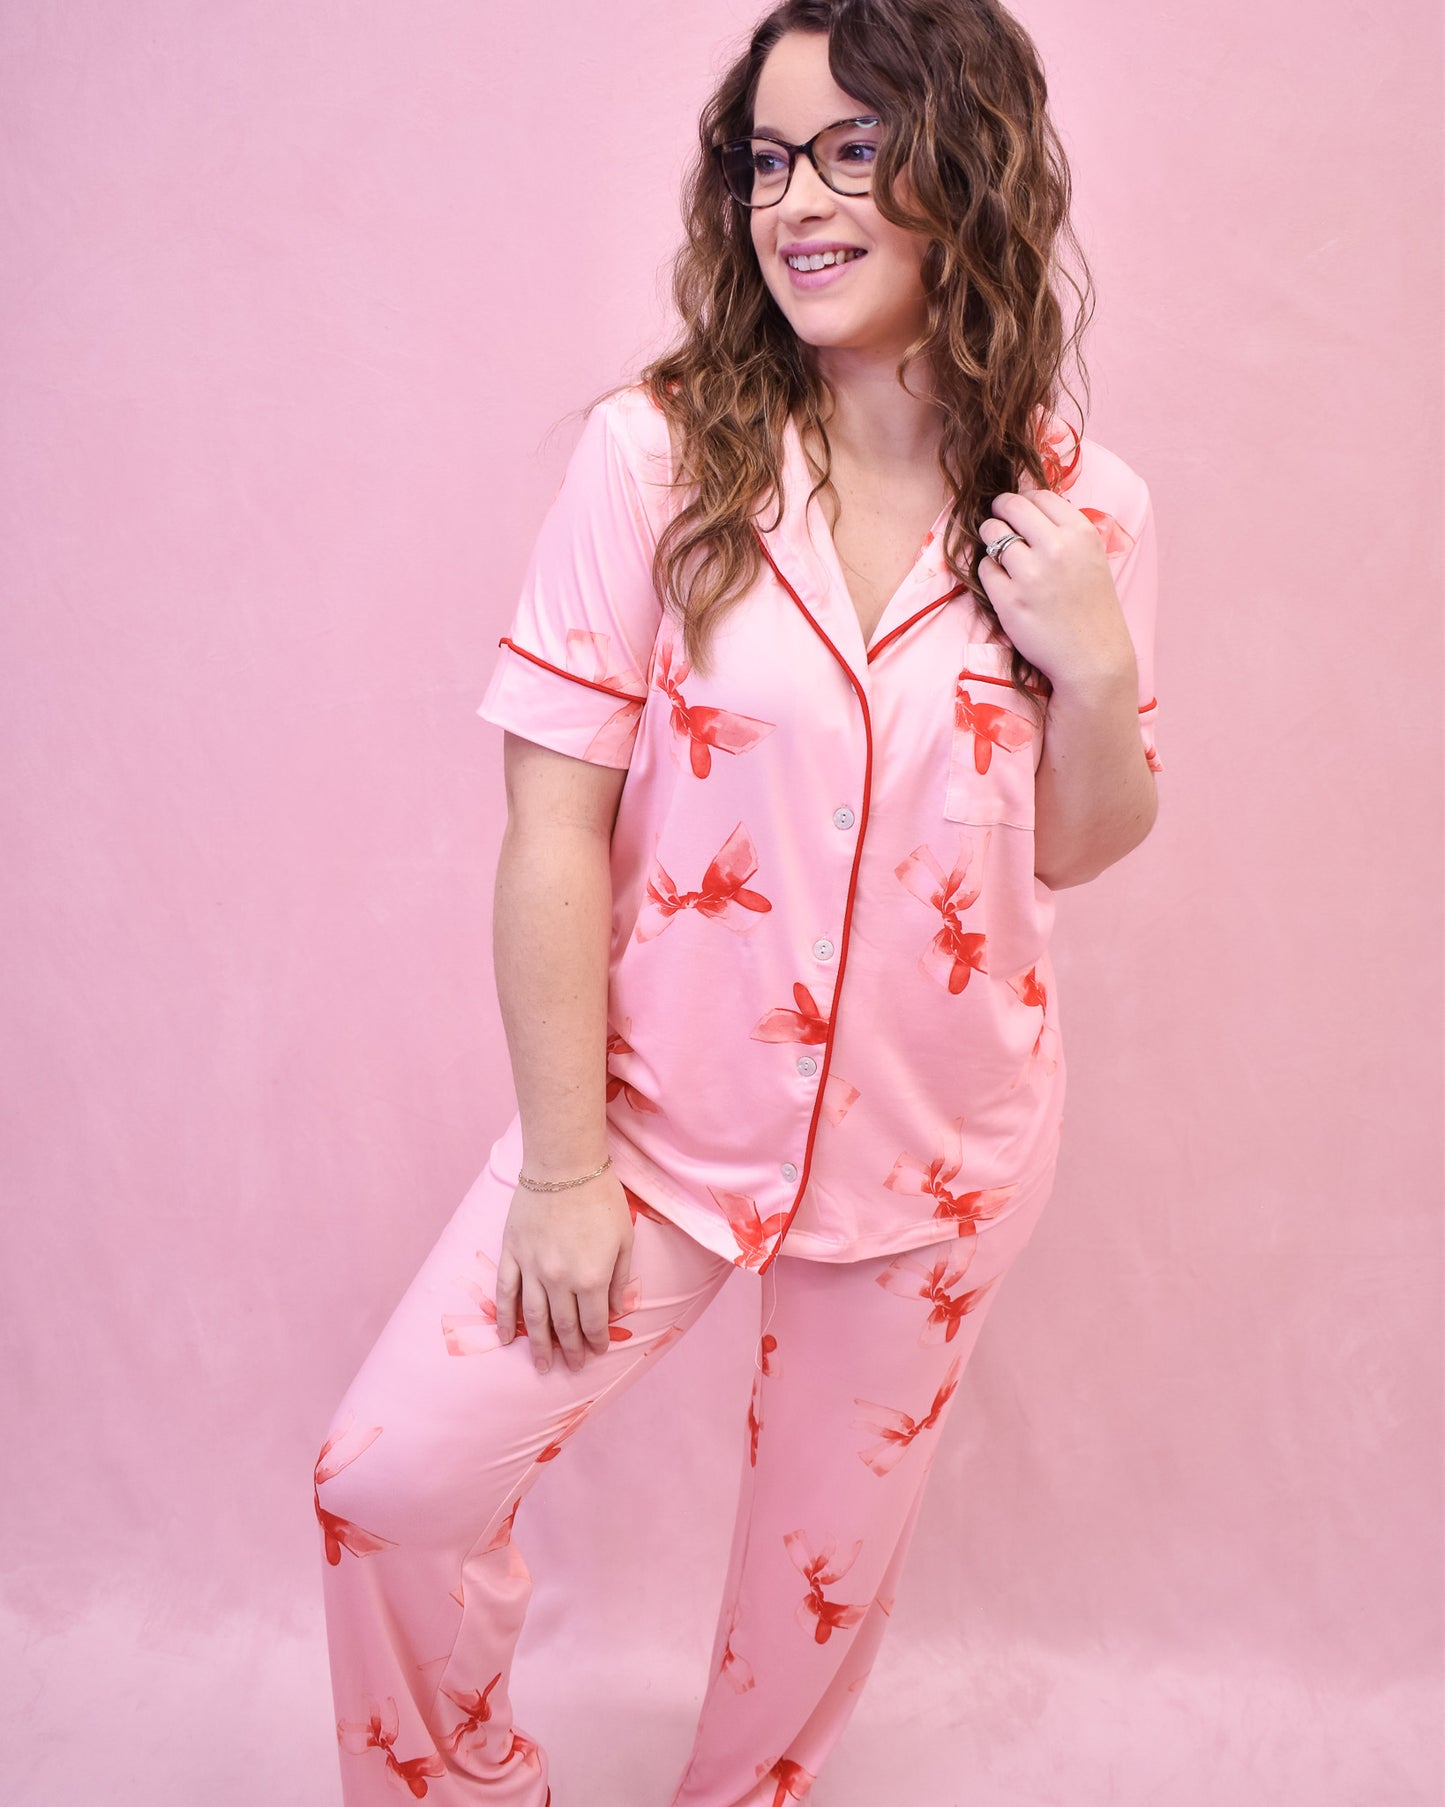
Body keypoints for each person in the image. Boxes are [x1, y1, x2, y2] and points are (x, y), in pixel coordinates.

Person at [312, 1, 1164, 1801]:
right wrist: (562, 1168)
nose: (796, 202)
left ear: (970, 165)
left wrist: (1089, 667)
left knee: (805, 1613)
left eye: (851, 151)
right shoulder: (654, 460)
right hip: (656, 1131)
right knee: (391, 1477)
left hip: (937, 1154)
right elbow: (551, 823)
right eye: (768, 161)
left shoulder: (1088, 512)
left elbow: (1081, 844)